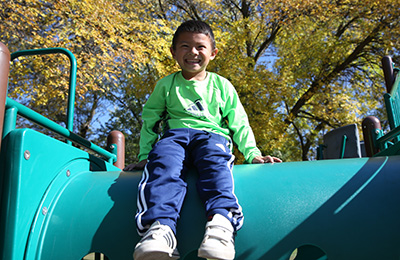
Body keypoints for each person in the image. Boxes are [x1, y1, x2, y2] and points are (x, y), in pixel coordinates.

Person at [124, 20, 282, 260]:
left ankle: (221, 223)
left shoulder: (222, 86)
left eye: (200, 47)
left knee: (215, 162)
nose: (193, 52)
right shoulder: (166, 85)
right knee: (163, 165)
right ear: (173, 52)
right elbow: (150, 121)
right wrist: (146, 156)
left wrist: (252, 153)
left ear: (213, 53)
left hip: (211, 136)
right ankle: (160, 229)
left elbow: (238, 121)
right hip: (174, 137)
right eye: (185, 46)